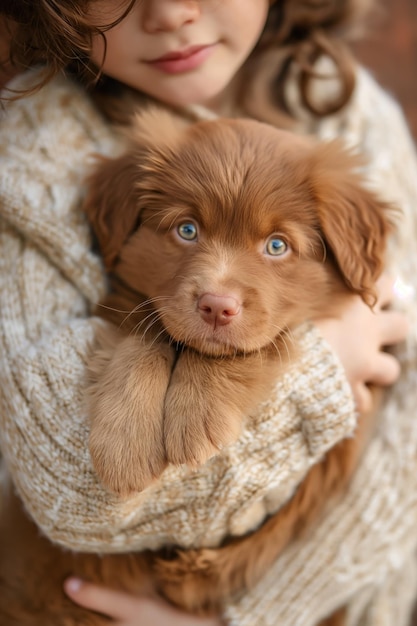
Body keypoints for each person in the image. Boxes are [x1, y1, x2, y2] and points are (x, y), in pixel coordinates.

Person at [0, 1, 416, 625]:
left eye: (278, 245)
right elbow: (71, 488)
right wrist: (323, 365)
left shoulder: (351, 112)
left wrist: (265, 616)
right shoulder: (32, 147)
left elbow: (406, 444)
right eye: (186, 228)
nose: (170, 12)